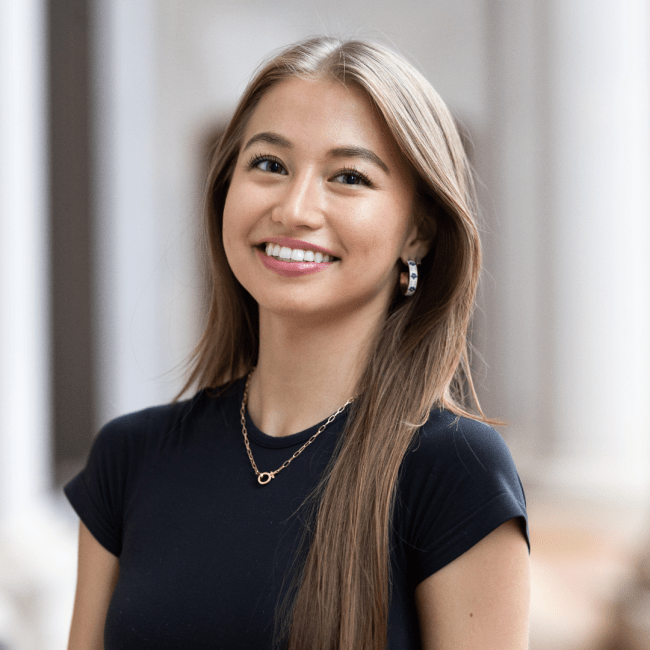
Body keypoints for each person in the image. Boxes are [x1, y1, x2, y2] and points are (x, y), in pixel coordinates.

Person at [65, 36, 530, 650]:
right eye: (269, 165)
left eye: (348, 177)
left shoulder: (453, 473)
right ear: (225, 189)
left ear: (417, 234)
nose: (295, 208)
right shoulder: (128, 461)